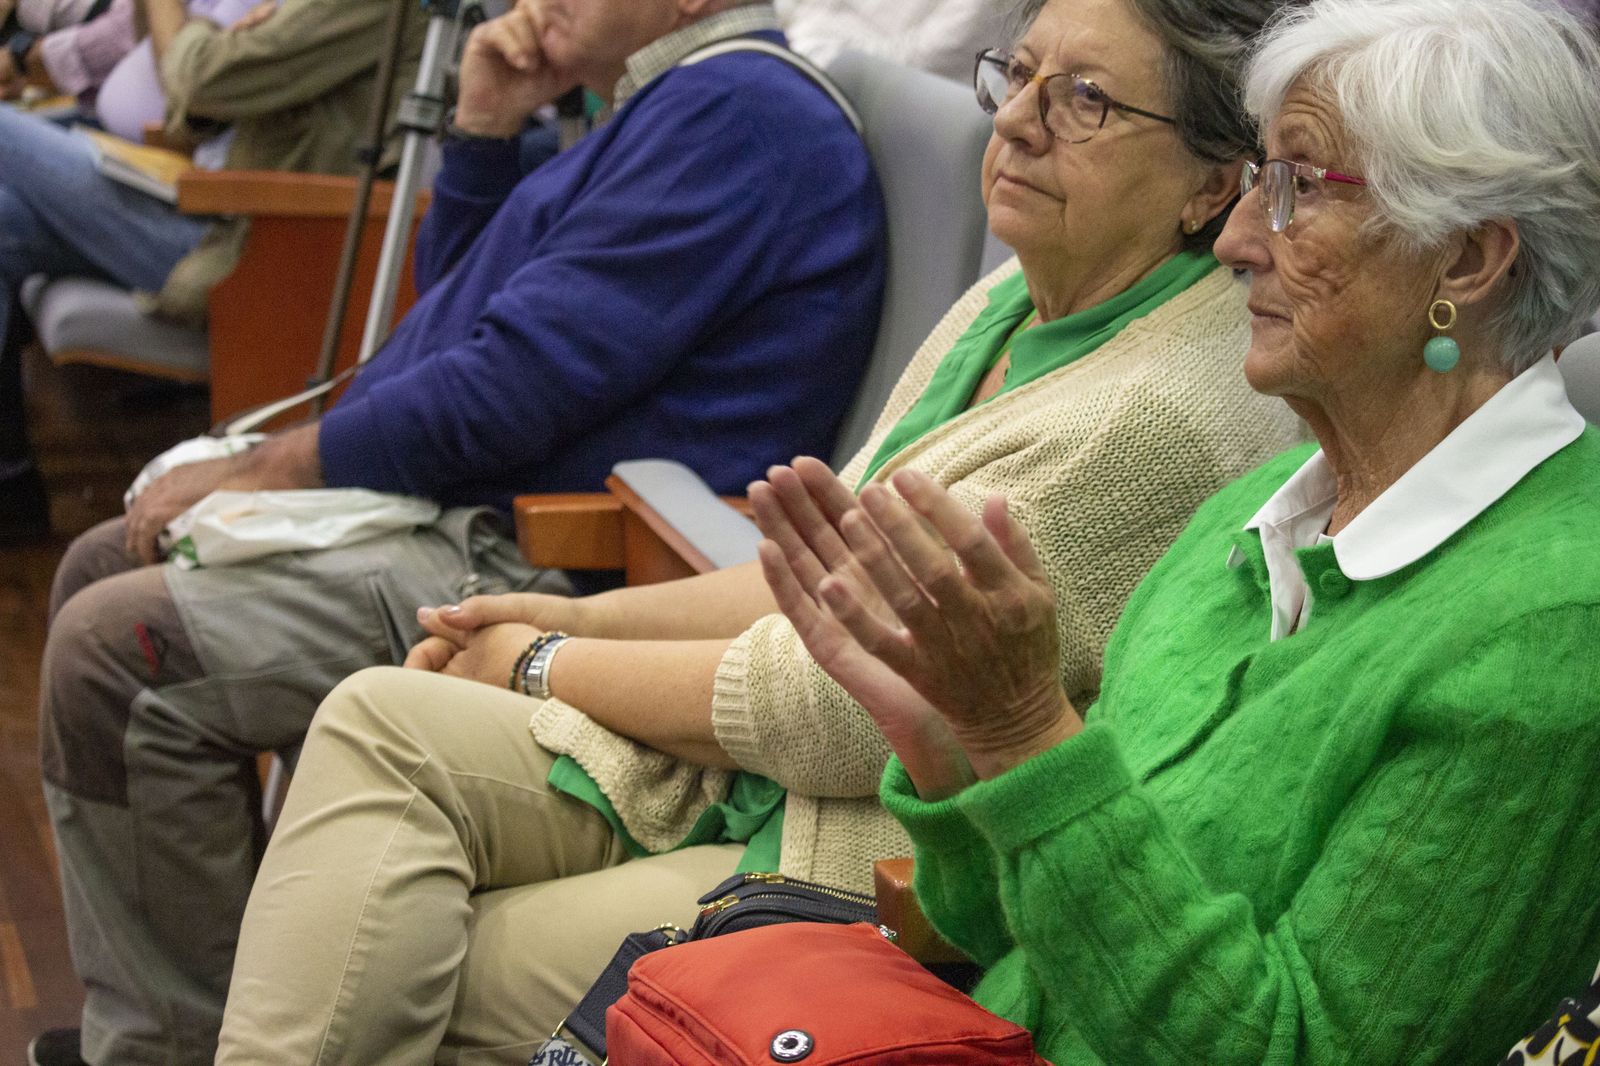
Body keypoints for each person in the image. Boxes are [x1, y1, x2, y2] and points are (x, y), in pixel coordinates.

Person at [211, 0, 1310, 1061]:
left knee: (427, 962)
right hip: (753, 777)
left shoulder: (1149, 425)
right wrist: (565, 618)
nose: (1019, 119)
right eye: (1019, 76)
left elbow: (834, 711)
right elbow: (818, 577)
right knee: (375, 719)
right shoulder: (1010, 303)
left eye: (1085, 100)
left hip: (862, 859)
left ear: (1215, 182)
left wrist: (540, 662)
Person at [33, 0, 886, 1062]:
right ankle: (181, 1023)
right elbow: (454, 313)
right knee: (102, 562)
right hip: (488, 507)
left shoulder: (740, 118)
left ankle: (167, 1047)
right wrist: (483, 130)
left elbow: (501, 391)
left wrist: (261, 467)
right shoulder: (662, 103)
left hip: (562, 554)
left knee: (118, 652)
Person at [752, 0, 1600, 1061]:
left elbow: (1290, 1049)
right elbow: (1000, 937)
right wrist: (947, 744)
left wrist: (1027, 733)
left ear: (1466, 261)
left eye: (1297, 188)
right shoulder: (1266, 511)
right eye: (1256, 179)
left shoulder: (1552, 638)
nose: (1236, 240)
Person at [0, 0, 429, 539]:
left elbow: (201, 81)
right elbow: (199, 98)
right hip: (215, 202)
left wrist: (183, 20)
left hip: (260, 246)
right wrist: (212, 49)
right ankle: (9, 484)